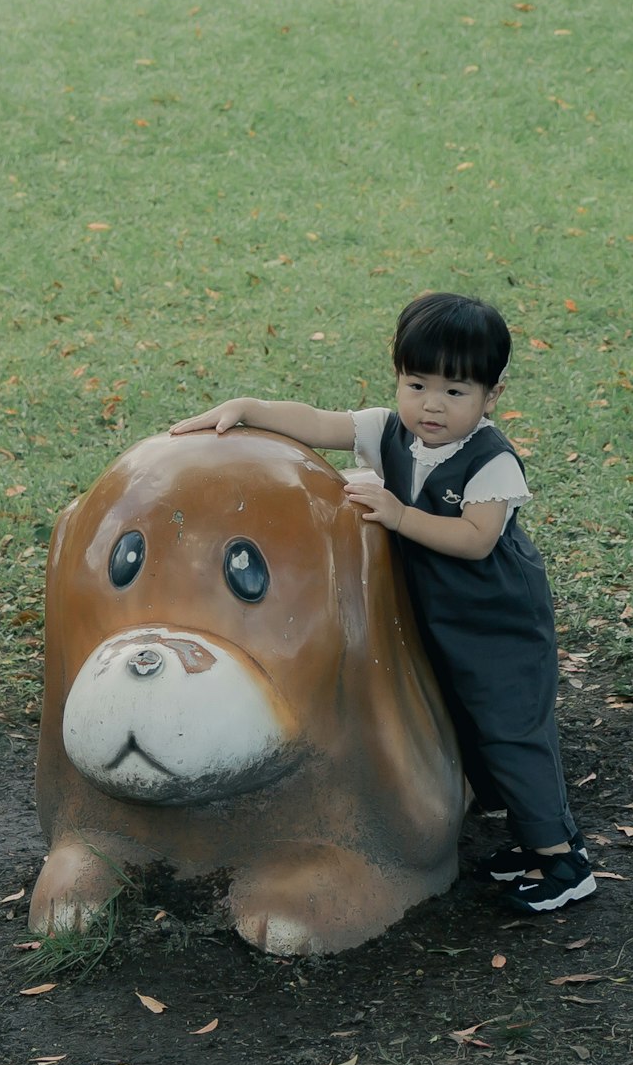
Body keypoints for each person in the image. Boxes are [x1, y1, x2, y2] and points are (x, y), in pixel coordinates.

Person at [170, 293, 593, 913]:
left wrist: (399, 515)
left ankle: (564, 861)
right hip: (435, 617)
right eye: (416, 384)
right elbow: (316, 422)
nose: (431, 405)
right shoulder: (388, 432)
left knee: (510, 730)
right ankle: (531, 842)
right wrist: (250, 408)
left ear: (490, 396)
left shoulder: (490, 461)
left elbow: (475, 542)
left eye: (455, 391)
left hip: (497, 623)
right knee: (460, 721)